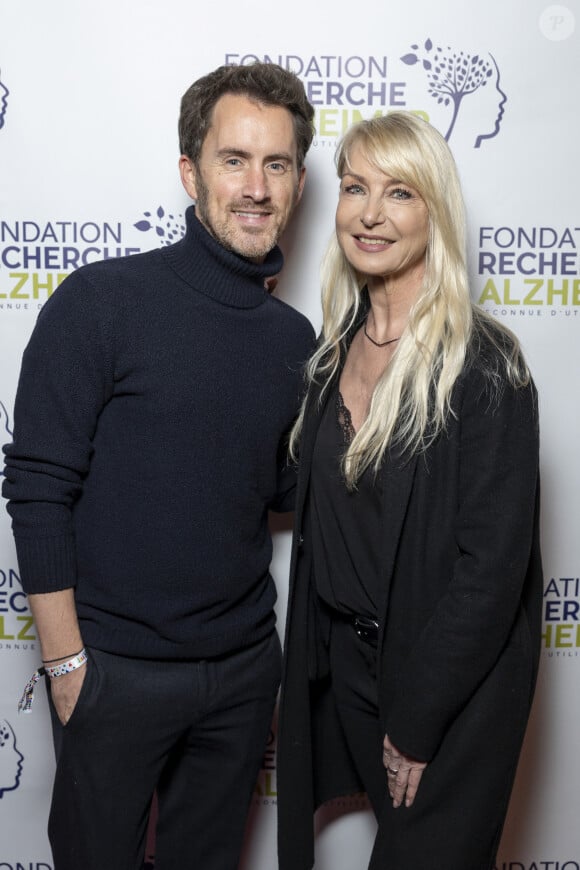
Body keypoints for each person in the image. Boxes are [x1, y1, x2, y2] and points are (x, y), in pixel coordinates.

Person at [3, 61, 315, 870]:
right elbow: (37, 488)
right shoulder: (101, 302)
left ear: (299, 185)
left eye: (276, 164)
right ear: (190, 171)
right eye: (233, 160)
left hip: (244, 675)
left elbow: (279, 491)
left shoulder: (295, 343)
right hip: (112, 673)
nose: (256, 186)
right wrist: (68, 665)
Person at [277, 111, 542, 870]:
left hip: (448, 690)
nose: (369, 213)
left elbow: (491, 570)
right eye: (355, 188)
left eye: (399, 193)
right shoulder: (333, 355)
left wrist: (421, 720)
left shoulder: (485, 364)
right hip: (357, 676)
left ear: (435, 210)